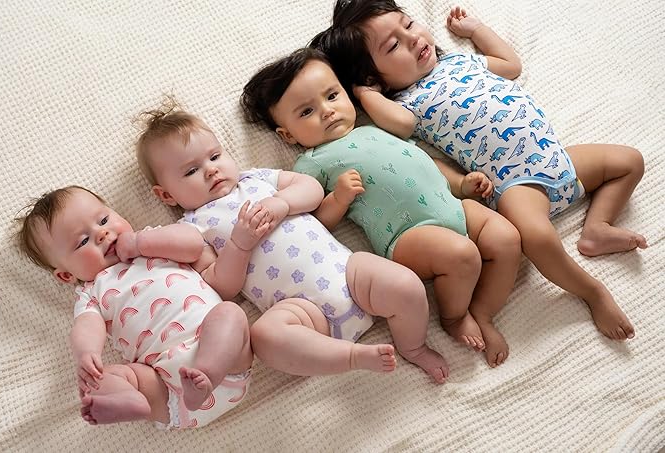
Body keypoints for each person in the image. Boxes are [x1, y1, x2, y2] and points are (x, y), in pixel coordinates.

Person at [313, 0, 646, 341]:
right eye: (393, 45)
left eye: (408, 24)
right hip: (516, 181)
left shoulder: (459, 61)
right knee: (537, 237)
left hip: (557, 158)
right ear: (374, 79)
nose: (412, 38)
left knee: (629, 161)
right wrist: (364, 94)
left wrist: (477, 31)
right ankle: (592, 291)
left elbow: (510, 65)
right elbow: (400, 125)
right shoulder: (408, 102)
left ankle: (597, 228)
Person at [134, 101, 453, 383]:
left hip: (348, 274)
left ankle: (413, 346)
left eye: (215, 156)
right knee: (264, 337)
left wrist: (282, 203)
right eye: (191, 170)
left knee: (405, 285)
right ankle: (351, 356)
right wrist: (239, 245)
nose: (211, 170)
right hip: (302, 313)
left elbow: (311, 188)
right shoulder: (193, 228)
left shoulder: (256, 179)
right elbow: (221, 286)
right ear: (166, 195)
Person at [241, 48, 522, 368]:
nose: (327, 111)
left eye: (332, 96)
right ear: (288, 135)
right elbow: (314, 224)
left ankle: (483, 313)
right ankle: (454, 317)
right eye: (307, 111)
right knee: (463, 255)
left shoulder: (373, 127)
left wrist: (461, 184)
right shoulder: (312, 162)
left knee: (507, 238)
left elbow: (423, 160)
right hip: (408, 235)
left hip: (454, 206)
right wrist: (339, 198)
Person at [14, 185, 257, 429]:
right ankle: (132, 401)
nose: (102, 233)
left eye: (104, 220)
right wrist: (87, 353)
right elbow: (86, 326)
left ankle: (206, 374)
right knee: (107, 377)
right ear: (67, 275)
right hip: (167, 388)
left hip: (223, 359)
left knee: (230, 313)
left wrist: (141, 243)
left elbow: (194, 244)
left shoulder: (154, 241)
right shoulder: (91, 293)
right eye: (83, 241)